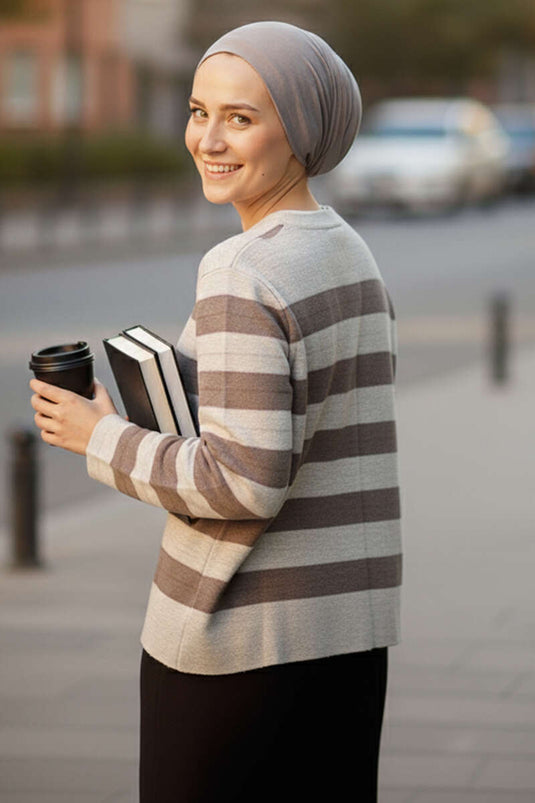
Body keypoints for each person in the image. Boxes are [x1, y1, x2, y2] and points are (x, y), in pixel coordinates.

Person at [30, 21, 402, 803]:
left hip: (238, 645)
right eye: (199, 111)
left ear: (300, 129)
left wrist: (100, 436)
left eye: (241, 117)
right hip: (348, 636)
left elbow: (244, 481)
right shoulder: (347, 250)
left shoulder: (242, 269)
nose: (208, 139)